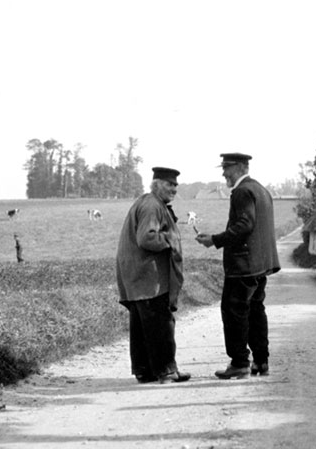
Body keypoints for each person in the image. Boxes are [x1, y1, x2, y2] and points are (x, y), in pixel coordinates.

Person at [196, 152, 281, 379]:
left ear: (240, 168)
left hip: (243, 265)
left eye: (226, 168)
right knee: (255, 312)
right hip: (260, 265)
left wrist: (215, 240)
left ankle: (239, 363)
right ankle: (261, 362)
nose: (224, 172)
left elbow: (245, 224)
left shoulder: (242, 191)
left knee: (234, 313)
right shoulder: (261, 190)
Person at [116, 166, 190, 384]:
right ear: (157, 184)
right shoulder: (152, 206)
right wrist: (171, 240)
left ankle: (144, 371)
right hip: (149, 277)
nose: (174, 189)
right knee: (161, 323)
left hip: (137, 275)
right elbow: (147, 238)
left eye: (176, 185)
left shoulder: (148, 202)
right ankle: (166, 371)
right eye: (169, 184)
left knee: (141, 327)